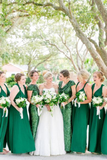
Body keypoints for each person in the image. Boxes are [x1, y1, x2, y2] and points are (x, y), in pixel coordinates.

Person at [31, 71, 65, 156]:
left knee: (55, 125)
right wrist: (46, 104)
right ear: (45, 79)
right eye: (49, 78)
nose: (51, 79)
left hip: (54, 107)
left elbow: (57, 97)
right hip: (45, 108)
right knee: (45, 125)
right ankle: (44, 148)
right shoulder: (41, 86)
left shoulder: (55, 85)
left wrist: (52, 103)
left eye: (52, 78)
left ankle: (55, 148)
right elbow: (40, 97)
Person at [7, 73, 35, 154]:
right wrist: (18, 108)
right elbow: (11, 100)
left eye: (25, 79)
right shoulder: (15, 87)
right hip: (15, 111)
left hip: (23, 110)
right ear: (18, 80)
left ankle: (26, 147)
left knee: (24, 128)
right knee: (17, 128)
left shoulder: (24, 87)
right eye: (23, 79)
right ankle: (17, 148)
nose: (24, 80)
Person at [71, 69, 92, 153]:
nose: (77, 78)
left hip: (83, 109)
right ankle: (75, 147)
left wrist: (80, 102)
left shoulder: (87, 86)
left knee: (81, 128)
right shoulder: (77, 84)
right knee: (75, 127)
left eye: (78, 76)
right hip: (76, 108)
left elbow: (89, 99)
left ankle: (81, 147)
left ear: (82, 77)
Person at [58, 70, 76, 152]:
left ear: (65, 76)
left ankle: (68, 147)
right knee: (60, 124)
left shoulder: (71, 83)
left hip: (68, 106)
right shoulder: (59, 83)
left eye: (61, 76)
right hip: (60, 106)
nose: (59, 77)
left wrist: (66, 102)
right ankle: (60, 145)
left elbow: (74, 95)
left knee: (67, 124)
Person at [88, 71, 106, 154]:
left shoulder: (104, 88)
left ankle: (98, 149)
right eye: (93, 76)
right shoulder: (91, 86)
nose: (94, 78)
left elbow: (105, 100)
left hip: (100, 111)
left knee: (98, 128)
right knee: (92, 128)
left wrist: (101, 107)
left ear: (100, 78)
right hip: (92, 109)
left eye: (95, 77)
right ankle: (92, 148)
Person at [27, 70, 39, 140]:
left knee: (37, 124)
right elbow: (29, 99)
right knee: (34, 124)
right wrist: (35, 103)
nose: (37, 76)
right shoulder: (30, 86)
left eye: (37, 75)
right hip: (33, 108)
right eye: (35, 75)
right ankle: (32, 141)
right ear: (31, 77)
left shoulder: (36, 85)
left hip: (38, 107)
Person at [0, 71, 10, 154]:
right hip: (0, 110)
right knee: (0, 128)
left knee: (4, 128)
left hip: (5, 110)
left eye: (4, 76)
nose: (4, 78)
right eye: (3, 76)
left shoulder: (5, 86)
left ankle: (2, 147)